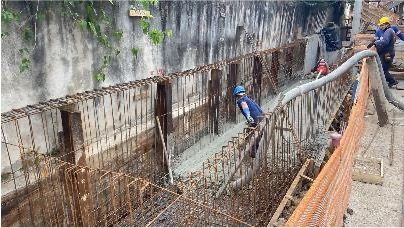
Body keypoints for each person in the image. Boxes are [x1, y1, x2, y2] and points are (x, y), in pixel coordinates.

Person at [233, 85, 264, 158]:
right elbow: (257, 107)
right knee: (254, 134)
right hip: (261, 118)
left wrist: (248, 116)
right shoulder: (248, 99)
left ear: (236, 95)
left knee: (254, 136)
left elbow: (245, 107)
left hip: (255, 120)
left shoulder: (241, 100)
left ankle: (251, 153)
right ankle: (248, 148)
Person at [368, 17, 399, 88]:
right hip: (385, 53)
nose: (380, 26)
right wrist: (373, 42)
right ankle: (390, 81)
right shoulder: (386, 31)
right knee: (382, 69)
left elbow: (385, 41)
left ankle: (392, 81)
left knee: (382, 69)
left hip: (387, 54)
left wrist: (375, 43)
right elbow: (377, 38)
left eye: (382, 25)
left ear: (386, 24)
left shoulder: (389, 31)